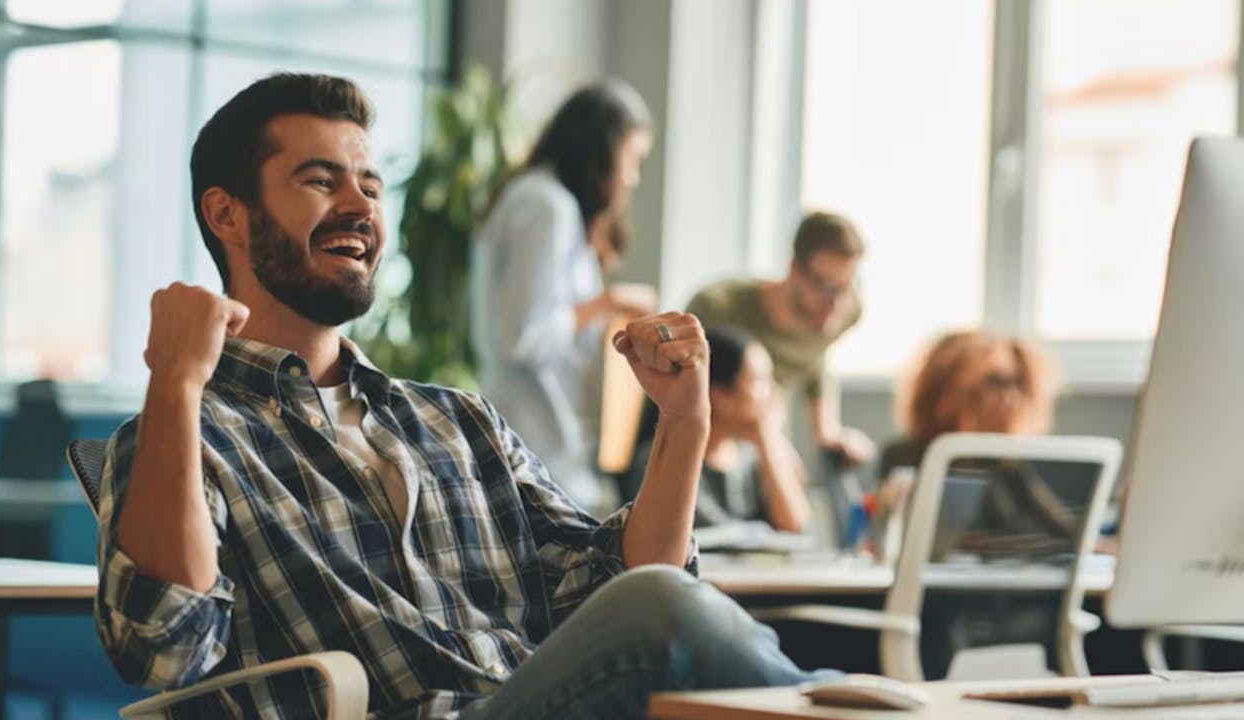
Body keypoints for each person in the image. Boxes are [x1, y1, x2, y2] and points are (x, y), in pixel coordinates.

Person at [94, 73, 835, 720]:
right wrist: (177, 381)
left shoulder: (457, 420)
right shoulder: (189, 433)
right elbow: (163, 646)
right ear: (227, 214)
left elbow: (615, 586)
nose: (359, 206)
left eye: (371, 187)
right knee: (667, 614)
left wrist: (683, 420)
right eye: (321, 182)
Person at [470, 80, 658, 511]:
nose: (632, 176)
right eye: (632, 159)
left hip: (546, 440)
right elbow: (524, 335)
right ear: (602, 151)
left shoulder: (546, 201)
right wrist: (607, 303)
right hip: (532, 434)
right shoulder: (546, 205)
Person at [686, 211, 873, 466]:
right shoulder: (718, 308)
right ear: (794, 269)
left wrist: (827, 430)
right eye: (825, 287)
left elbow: (816, 358)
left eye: (846, 288)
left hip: (768, 437)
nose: (836, 305)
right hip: (709, 441)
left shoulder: (845, 314)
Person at [878, 329, 1073, 555]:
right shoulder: (906, 456)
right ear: (948, 389)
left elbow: (1065, 531)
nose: (1010, 398)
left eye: (1016, 383)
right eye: (995, 383)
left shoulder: (1005, 462)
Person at [631, 327, 811, 532]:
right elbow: (705, 533)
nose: (774, 392)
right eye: (761, 380)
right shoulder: (665, 459)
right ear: (718, 395)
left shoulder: (749, 457)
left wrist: (768, 437)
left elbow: (796, 526)